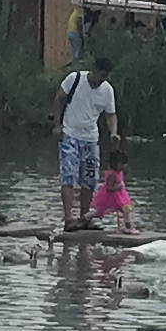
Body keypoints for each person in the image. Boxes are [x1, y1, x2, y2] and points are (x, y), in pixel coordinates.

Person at [55, 57, 116, 230]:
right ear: (93, 70)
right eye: (101, 75)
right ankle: (68, 218)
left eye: (106, 77)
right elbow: (59, 98)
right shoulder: (75, 79)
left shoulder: (107, 90)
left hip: (91, 139)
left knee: (89, 179)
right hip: (70, 134)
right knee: (68, 176)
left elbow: (111, 114)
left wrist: (113, 132)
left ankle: (84, 218)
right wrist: (57, 124)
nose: (102, 80)